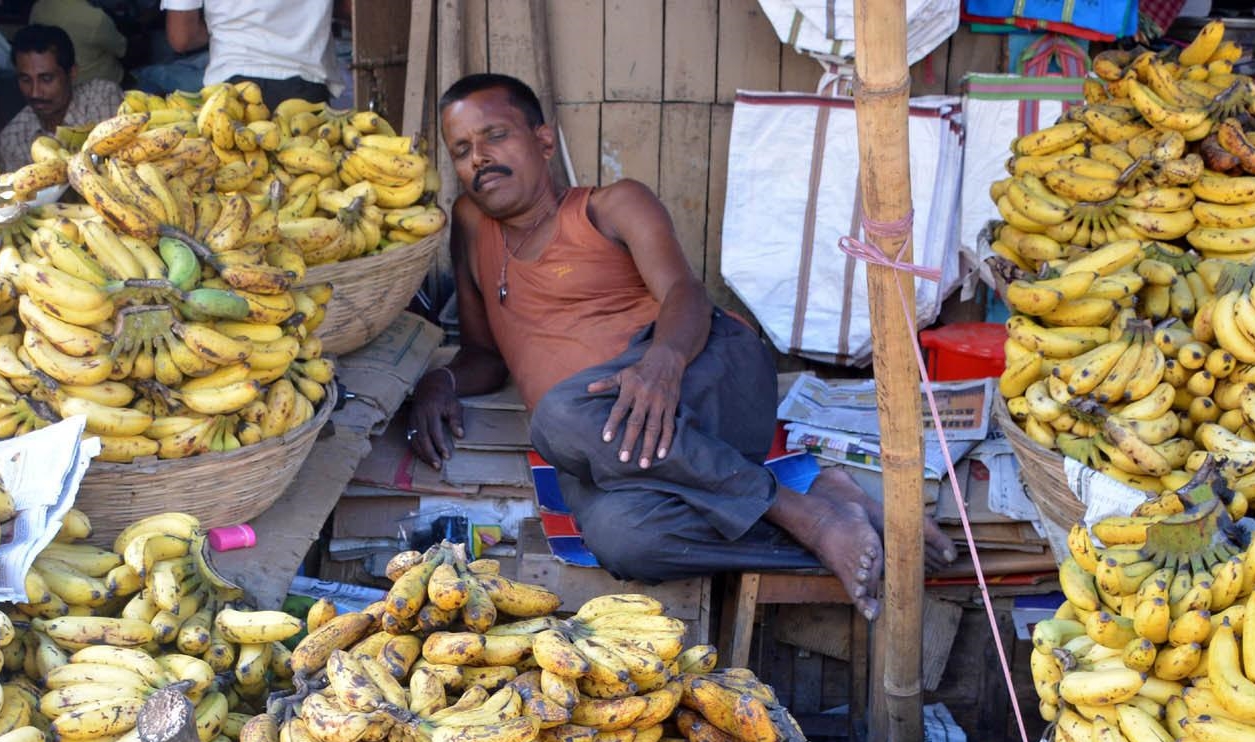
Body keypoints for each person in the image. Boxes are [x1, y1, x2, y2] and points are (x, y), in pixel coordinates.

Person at [405, 74, 955, 619]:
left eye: (495, 136)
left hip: (701, 375)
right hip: (608, 444)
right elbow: (484, 354)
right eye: (462, 150)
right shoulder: (472, 224)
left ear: (544, 142)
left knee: (558, 415)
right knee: (624, 540)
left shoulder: (612, 206)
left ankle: (803, 514)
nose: (479, 157)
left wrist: (662, 363)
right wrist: (440, 381)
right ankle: (839, 519)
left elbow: (685, 295)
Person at [0, 25, 125, 172]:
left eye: (46, 79)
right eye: (26, 80)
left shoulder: (101, 98)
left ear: (72, 72)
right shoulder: (13, 137)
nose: (35, 93)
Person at [157, 0, 331, 105]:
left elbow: (182, 37)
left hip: (230, 87)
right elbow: (352, 10)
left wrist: (226, 32)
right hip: (305, 86)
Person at [27, 0, 126, 89]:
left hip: (56, 85)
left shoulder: (38, 7)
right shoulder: (96, 18)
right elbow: (121, 50)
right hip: (100, 86)